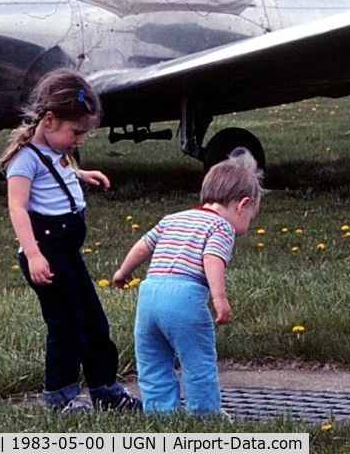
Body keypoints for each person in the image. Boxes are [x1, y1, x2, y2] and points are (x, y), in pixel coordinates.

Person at [0, 69, 141, 413]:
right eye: (76, 132)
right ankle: (60, 397)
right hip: (47, 252)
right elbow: (17, 208)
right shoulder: (24, 160)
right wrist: (33, 255)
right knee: (67, 326)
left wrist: (80, 174)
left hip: (67, 251)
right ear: (48, 120)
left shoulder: (56, 152)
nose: (79, 140)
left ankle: (105, 390)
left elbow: (58, 168)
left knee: (95, 322)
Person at [111, 149, 264, 415]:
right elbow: (212, 257)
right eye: (250, 217)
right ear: (242, 204)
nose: (248, 224)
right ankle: (204, 417)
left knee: (153, 363)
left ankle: (160, 414)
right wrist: (219, 297)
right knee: (197, 362)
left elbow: (142, 246)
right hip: (185, 298)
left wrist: (123, 272)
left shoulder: (172, 218)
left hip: (149, 297)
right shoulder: (220, 227)